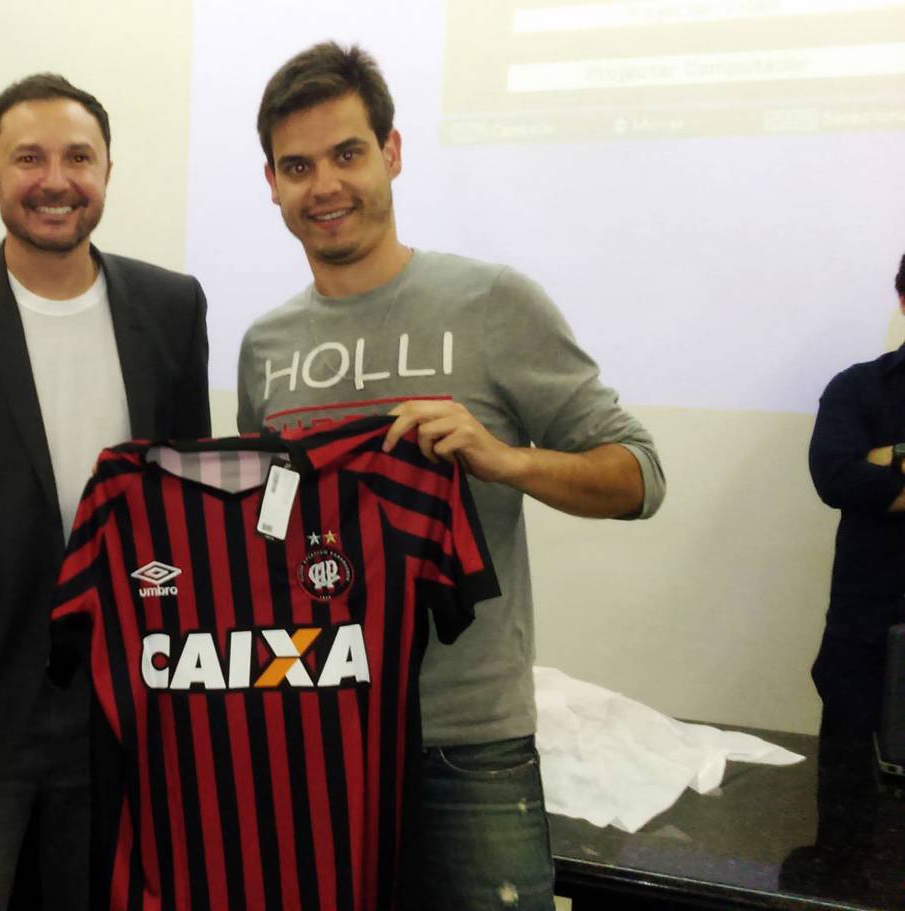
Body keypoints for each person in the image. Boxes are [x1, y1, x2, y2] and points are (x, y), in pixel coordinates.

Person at [237, 43, 665, 909]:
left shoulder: (493, 303)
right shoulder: (265, 347)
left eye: (347, 154)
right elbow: (270, 533)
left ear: (391, 154)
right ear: (273, 185)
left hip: (466, 741)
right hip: (312, 729)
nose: (325, 185)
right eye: (298, 165)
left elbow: (640, 476)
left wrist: (502, 459)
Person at [0, 73, 211, 910]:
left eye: (77, 157)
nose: (55, 180)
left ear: (108, 171)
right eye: (29, 158)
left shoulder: (172, 306)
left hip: (129, 715)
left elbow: (190, 501)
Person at [807, 251, 905, 738]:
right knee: (853, 788)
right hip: (868, 627)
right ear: (904, 302)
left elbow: (865, 475)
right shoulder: (857, 387)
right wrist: (866, 470)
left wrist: (889, 458)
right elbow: (836, 477)